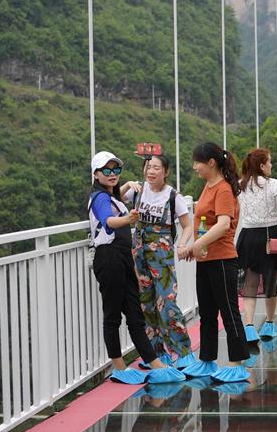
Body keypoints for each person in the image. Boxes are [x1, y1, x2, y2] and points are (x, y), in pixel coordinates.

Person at [88, 151, 183, 384]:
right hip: (108, 258)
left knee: (134, 312)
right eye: (106, 171)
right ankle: (119, 367)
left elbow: (116, 205)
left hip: (123, 257)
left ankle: (156, 364)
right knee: (113, 315)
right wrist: (128, 220)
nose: (112, 175)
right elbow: (107, 221)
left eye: (115, 170)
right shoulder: (99, 197)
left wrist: (126, 190)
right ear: (96, 174)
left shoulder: (112, 196)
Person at [177, 142, 250, 383]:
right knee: (207, 313)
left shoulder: (224, 189)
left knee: (229, 312)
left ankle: (236, 362)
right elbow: (203, 224)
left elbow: (223, 224)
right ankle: (207, 360)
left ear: (211, 163)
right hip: (206, 260)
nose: (194, 166)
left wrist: (196, 245)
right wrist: (194, 247)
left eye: (198, 162)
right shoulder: (208, 187)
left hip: (222, 260)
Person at [124, 152, 197, 370]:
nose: (151, 171)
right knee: (146, 303)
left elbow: (188, 225)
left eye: (156, 167)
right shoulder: (137, 190)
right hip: (139, 253)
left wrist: (182, 244)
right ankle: (157, 353)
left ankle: (183, 352)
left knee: (167, 301)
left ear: (165, 172)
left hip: (162, 255)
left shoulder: (173, 196)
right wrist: (127, 184)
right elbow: (114, 200)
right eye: (148, 167)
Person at [237, 148, 277, 345]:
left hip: (247, 236)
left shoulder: (241, 185)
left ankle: (249, 327)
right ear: (262, 166)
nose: (271, 166)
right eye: (269, 162)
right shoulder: (273, 185)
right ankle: (269, 324)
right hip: (270, 236)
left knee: (250, 282)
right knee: (271, 279)